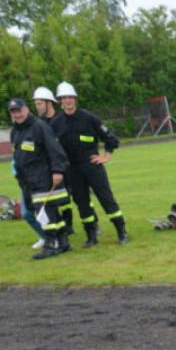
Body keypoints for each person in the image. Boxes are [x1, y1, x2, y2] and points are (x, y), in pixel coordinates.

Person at [49, 81, 128, 246]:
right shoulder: (55, 123)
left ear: (75, 99)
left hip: (92, 166)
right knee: (82, 202)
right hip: (72, 169)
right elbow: (52, 147)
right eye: (64, 98)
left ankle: (121, 232)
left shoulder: (89, 118)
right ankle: (91, 236)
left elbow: (111, 138)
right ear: (60, 101)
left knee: (106, 198)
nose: (68, 100)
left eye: (71, 97)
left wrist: (105, 156)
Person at [8, 97, 72, 259]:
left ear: (26, 109)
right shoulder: (15, 131)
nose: (17, 114)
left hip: (44, 178)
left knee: (45, 214)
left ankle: (51, 245)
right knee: (52, 214)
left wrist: (58, 171)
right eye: (13, 112)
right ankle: (63, 243)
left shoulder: (39, 126)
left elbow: (55, 150)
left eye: (19, 110)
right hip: (29, 181)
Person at [33, 86, 77, 240]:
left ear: (48, 103)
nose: (36, 107)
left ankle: (69, 224)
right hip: (52, 167)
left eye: (39, 103)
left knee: (69, 198)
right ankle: (62, 227)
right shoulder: (38, 123)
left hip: (68, 165)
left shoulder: (61, 119)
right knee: (58, 198)